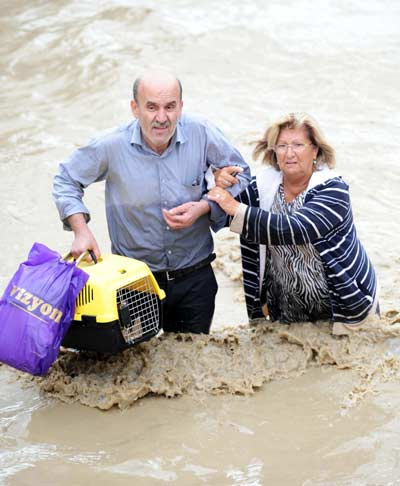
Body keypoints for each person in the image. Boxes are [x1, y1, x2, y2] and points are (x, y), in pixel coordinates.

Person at [53, 69, 251, 334]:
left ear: (181, 106)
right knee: (134, 367)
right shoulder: (111, 145)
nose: (162, 118)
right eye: (152, 107)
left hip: (195, 278)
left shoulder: (202, 133)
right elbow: (66, 179)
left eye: (170, 107)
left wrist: (206, 205)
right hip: (134, 282)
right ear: (135, 108)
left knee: (189, 362)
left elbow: (242, 174)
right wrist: (81, 230)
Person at [208, 112, 378, 335]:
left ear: (315, 149)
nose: (289, 153)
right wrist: (219, 181)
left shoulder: (334, 190)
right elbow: (223, 216)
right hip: (288, 306)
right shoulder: (263, 187)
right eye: (281, 145)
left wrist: (235, 207)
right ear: (273, 151)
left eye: (298, 144)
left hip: (342, 304)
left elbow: (294, 228)